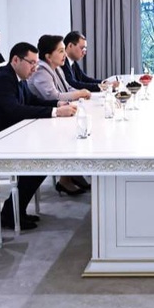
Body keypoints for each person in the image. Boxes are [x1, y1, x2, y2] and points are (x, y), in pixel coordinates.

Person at [0, 42, 78, 230]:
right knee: (39, 162)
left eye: (36, 63)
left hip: (3, 135)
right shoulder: (3, 79)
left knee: (42, 159)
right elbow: (15, 110)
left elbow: (31, 100)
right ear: (15, 60)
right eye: (31, 63)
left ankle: (15, 212)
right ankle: (10, 215)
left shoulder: (18, 76)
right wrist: (55, 113)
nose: (35, 68)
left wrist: (57, 105)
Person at [28, 34, 93, 195]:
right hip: (39, 122)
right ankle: (67, 178)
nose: (64, 55)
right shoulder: (41, 71)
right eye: (61, 51)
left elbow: (67, 89)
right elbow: (54, 97)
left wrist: (80, 92)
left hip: (54, 115)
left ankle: (71, 175)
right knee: (74, 134)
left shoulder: (56, 68)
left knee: (83, 128)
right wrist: (79, 94)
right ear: (48, 56)